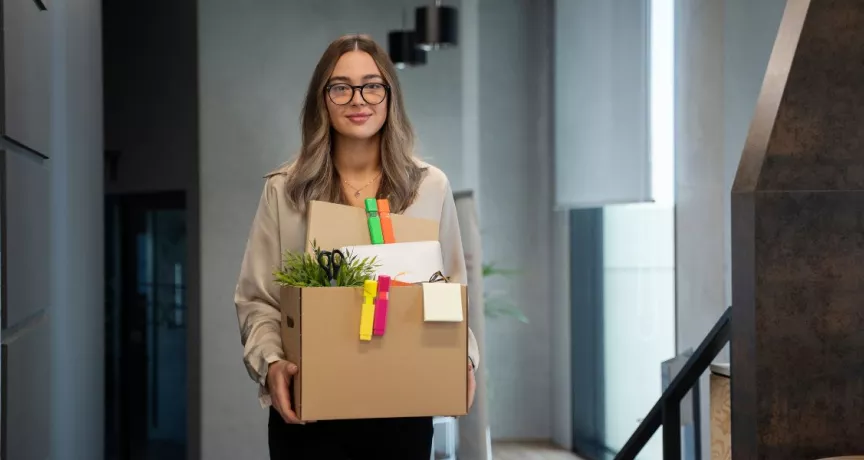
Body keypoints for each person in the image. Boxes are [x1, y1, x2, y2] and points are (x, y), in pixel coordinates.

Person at [234, 34, 480, 459]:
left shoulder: (430, 187)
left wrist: (465, 356)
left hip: (403, 406)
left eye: (372, 85)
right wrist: (272, 362)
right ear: (322, 100)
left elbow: (451, 288)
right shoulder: (285, 190)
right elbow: (257, 299)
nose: (357, 99)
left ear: (390, 96)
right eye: (340, 87)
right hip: (310, 410)